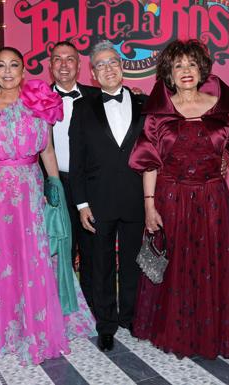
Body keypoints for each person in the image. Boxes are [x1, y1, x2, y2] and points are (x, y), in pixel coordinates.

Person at [0, 46, 95, 365]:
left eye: (14, 65)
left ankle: (33, 328)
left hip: (29, 191)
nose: (8, 71)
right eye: (1, 66)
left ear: (24, 70)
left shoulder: (37, 101)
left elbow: (48, 151)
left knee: (32, 260)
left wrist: (55, 188)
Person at [128, 39, 229, 359]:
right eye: (178, 65)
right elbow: (150, 162)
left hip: (213, 201)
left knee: (211, 266)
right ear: (168, 73)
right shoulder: (158, 115)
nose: (186, 71)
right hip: (171, 200)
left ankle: (209, 332)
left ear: (202, 70)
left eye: (192, 64)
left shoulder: (221, 109)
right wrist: (149, 204)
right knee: (175, 268)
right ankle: (175, 331)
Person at [69, 40, 146, 352]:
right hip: (98, 200)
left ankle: (131, 317)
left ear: (122, 65)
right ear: (93, 73)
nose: (108, 68)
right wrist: (81, 204)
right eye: (101, 65)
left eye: (113, 62)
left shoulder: (146, 104)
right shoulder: (82, 108)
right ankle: (106, 324)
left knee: (133, 262)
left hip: (137, 198)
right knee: (100, 265)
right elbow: (76, 161)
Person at [48, 41, 100, 307]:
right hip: (53, 185)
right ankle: (63, 306)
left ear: (80, 66)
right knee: (59, 248)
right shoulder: (37, 100)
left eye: (70, 59)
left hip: (90, 186)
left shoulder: (97, 97)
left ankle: (90, 306)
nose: (64, 64)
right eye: (58, 59)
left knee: (91, 248)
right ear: (50, 66)